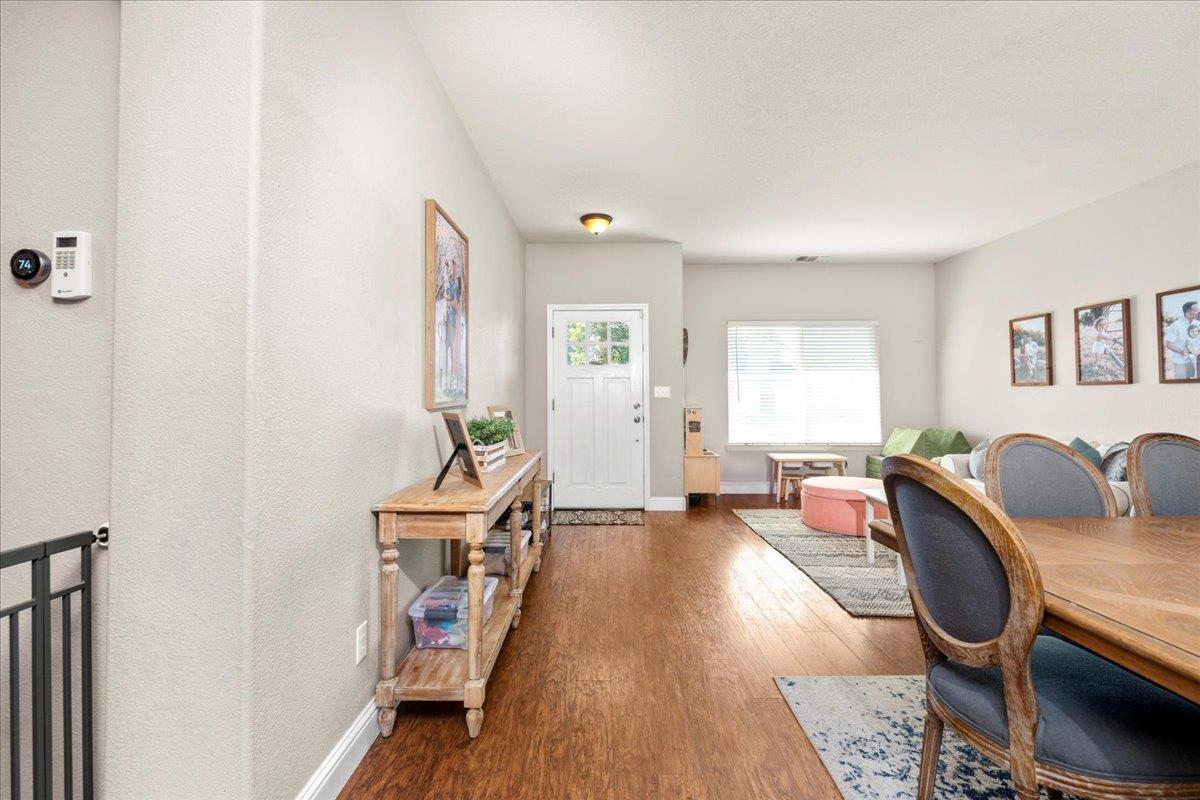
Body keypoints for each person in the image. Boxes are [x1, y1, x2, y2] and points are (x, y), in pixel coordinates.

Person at [1163, 300, 1200, 380]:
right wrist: (1182, 352)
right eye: (1196, 309)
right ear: (1188, 312)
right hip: (1180, 362)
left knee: (1194, 384)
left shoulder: (1197, 323)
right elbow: (1168, 343)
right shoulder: (1176, 326)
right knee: (1182, 383)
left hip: (1194, 361)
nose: (1199, 311)